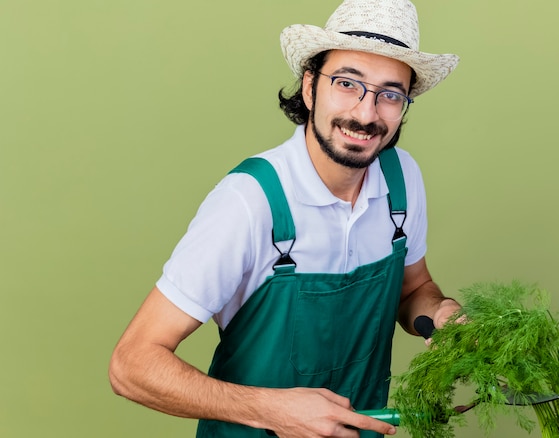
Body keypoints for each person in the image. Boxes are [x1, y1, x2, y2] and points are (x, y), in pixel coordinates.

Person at [109, 0, 462, 436]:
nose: (367, 113)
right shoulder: (250, 201)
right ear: (310, 87)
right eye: (348, 83)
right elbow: (132, 364)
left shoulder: (402, 179)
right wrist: (271, 409)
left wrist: (440, 314)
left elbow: (414, 289)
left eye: (390, 94)